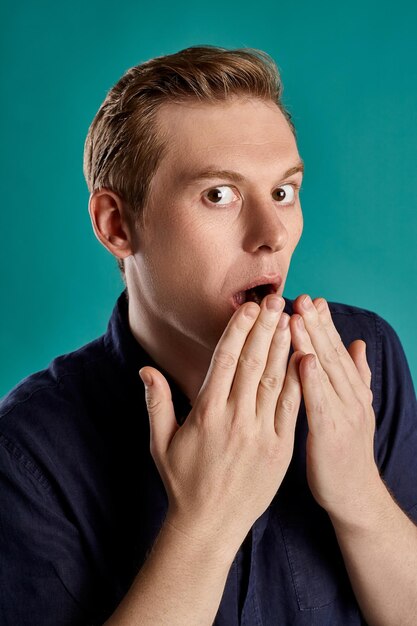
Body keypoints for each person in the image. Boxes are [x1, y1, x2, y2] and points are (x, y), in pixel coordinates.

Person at [0, 45, 416, 626]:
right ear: (117, 225)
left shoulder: (362, 359)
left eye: (283, 191)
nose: (272, 234)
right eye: (218, 194)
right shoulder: (26, 453)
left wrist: (362, 500)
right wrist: (204, 525)